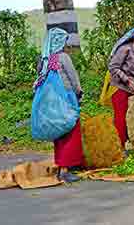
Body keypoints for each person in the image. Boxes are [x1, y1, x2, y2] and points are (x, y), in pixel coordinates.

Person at [34, 28, 84, 183]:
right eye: (64, 41)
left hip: (51, 101)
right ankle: (65, 170)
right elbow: (73, 78)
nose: (65, 45)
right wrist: (79, 92)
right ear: (59, 42)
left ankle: (63, 164)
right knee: (71, 131)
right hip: (67, 97)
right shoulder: (63, 58)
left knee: (59, 132)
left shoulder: (45, 59)